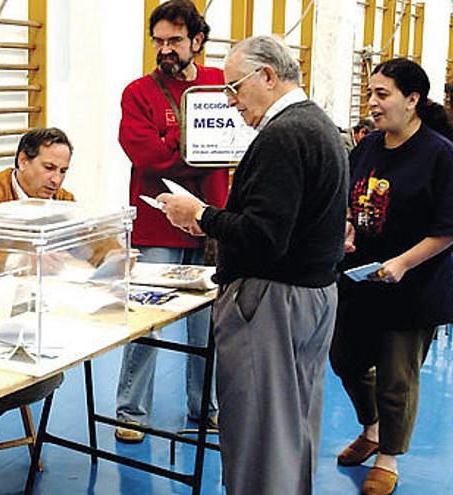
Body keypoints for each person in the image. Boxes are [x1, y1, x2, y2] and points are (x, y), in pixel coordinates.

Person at [158, 36, 347, 495]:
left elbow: (265, 236)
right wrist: (215, 224)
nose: (230, 99)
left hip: (273, 301)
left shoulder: (283, 135)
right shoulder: (320, 126)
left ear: (267, 75)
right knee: (290, 427)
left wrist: (200, 214)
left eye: (235, 87)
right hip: (312, 295)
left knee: (260, 432)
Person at [331, 58, 453, 495]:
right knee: (346, 361)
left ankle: (389, 455)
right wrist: (348, 229)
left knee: (396, 379)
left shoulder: (439, 155)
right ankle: (371, 430)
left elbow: (451, 228)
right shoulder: (368, 148)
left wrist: (404, 263)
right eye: (370, 93)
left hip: (412, 289)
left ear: (412, 100)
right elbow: (352, 204)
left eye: (382, 94)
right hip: (362, 281)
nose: (372, 103)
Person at [115, 0, 229, 443]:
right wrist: (196, 144)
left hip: (213, 223)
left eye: (174, 41)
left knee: (208, 326)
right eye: (158, 41)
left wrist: (174, 141)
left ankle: (205, 409)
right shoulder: (137, 92)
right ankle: (130, 412)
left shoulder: (220, 85)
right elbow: (147, 155)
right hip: (155, 224)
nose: (165, 49)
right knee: (146, 321)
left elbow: (231, 145)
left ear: (196, 40)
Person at [0, 127, 119, 415]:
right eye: (49, 167)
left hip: (43, 313)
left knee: (52, 371)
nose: (56, 179)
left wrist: (116, 254)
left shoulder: (63, 199)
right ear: (22, 161)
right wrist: (21, 262)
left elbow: (94, 239)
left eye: (63, 170)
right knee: (40, 375)